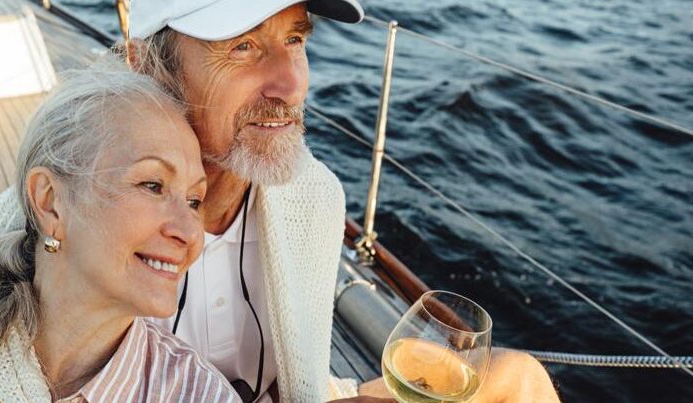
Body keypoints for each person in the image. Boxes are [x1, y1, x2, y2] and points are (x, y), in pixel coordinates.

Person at [125, 1, 559, 402]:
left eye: (295, 40)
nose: (292, 87)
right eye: (243, 46)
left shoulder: (312, 198)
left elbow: (298, 380)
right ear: (145, 66)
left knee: (520, 377)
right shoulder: (90, 215)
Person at [0, 68, 240, 402]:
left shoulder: (198, 394)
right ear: (50, 202)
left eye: (194, 200)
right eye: (153, 184)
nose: (190, 232)